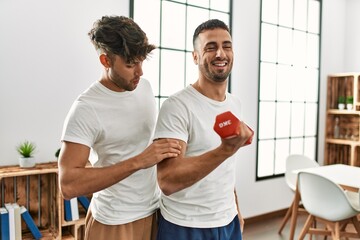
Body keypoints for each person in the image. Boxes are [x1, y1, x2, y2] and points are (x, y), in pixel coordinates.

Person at [58, 15, 181, 240]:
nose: (140, 72)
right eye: (130, 64)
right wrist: (139, 161)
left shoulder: (144, 88)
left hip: (155, 212)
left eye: (141, 61)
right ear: (106, 61)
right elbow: (68, 185)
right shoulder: (86, 108)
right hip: (114, 222)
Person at [153, 19, 253, 240]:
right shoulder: (177, 106)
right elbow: (168, 181)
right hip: (185, 225)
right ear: (195, 56)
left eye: (227, 46)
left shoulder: (235, 104)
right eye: (210, 47)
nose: (220, 53)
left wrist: (235, 208)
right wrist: (225, 150)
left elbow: (226, 169)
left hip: (228, 221)